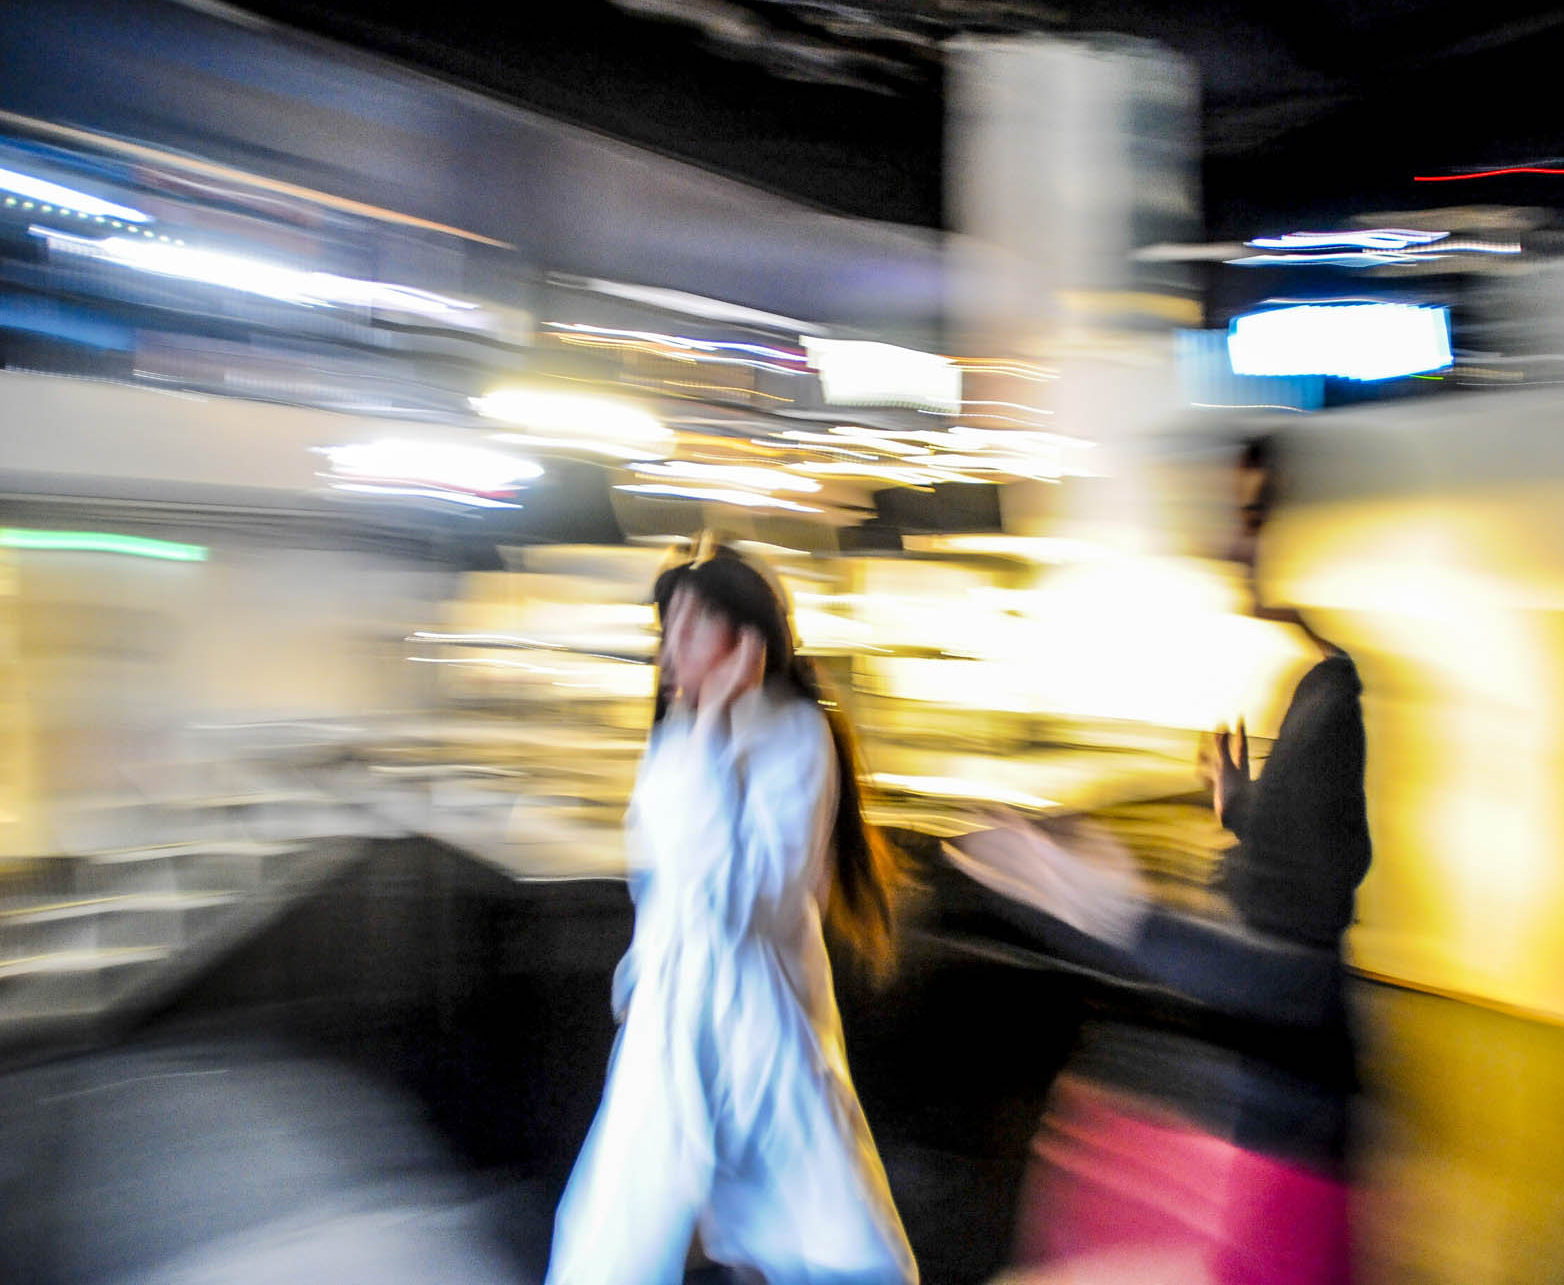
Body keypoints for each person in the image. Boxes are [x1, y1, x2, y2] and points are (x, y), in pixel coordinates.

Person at [948, 433, 1370, 1285]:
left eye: (1255, 516)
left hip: (1293, 1123)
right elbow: (1303, 886)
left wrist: (1110, 910)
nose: (1236, 544)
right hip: (1276, 1105)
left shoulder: (1335, 705)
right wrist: (1240, 809)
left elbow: (1298, 962)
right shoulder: (1319, 689)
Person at [546, 540, 918, 1285]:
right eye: (667, 630)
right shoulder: (677, 734)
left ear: (746, 640)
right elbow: (658, 885)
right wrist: (638, 980)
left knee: (820, 1233)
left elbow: (741, 901)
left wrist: (713, 728)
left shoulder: (795, 734)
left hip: (761, 1024)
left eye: (691, 628)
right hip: (674, 1018)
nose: (671, 650)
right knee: (621, 1233)